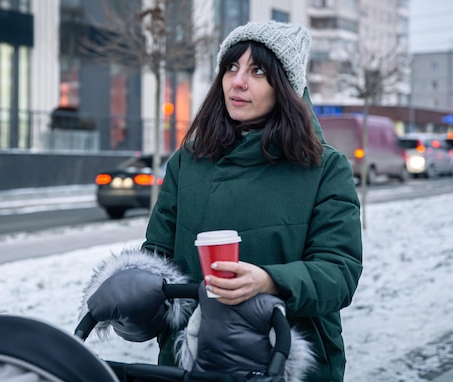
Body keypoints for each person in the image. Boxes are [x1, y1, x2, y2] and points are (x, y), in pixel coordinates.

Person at [136, 20, 363, 381]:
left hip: (286, 361)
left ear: (285, 86)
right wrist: (131, 290)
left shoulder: (324, 167)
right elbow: (158, 257)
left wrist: (270, 281)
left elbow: (340, 272)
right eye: (231, 67)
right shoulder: (187, 161)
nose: (238, 81)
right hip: (191, 362)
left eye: (257, 70)